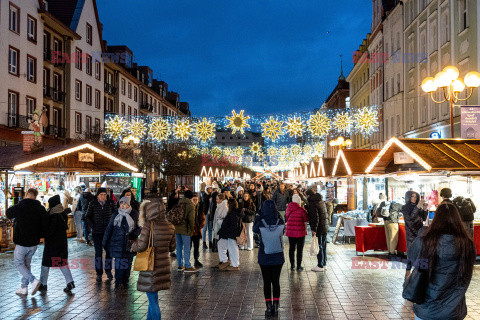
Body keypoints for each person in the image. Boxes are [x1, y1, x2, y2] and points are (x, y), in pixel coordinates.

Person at [407, 203, 475, 320]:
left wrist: (422, 232)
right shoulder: (467, 244)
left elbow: (411, 257)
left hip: (426, 309)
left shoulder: (426, 241)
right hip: (453, 310)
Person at [132, 199, 176, 320]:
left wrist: (132, 245)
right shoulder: (170, 226)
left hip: (150, 267)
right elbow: (172, 247)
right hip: (163, 266)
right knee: (153, 298)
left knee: (153, 301)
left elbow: (141, 246)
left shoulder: (149, 225)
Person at [6, 188, 46, 296]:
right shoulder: (41, 208)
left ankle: (33, 280)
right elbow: (44, 225)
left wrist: (20, 203)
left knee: (18, 263)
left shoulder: (21, 206)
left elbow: (8, 213)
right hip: (34, 243)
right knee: (26, 264)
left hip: (22, 242)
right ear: (36, 196)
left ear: (26, 194)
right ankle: (23, 287)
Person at [253, 200, 285, 317]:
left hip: (264, 256)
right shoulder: (279, 219)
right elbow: (283, 230)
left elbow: (254, 230)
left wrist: (258, 217)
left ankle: (268, 306)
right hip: (278, 256)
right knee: (276, 281)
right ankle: (276, 306)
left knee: (267, 282)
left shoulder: (261, 221)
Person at [39, 195, 75, 294]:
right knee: (62, 263)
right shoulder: (63, 213)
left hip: (52, 244)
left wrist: (43, 233)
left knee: (45, 263)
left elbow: (50, 231)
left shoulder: (54, 215)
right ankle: (70, 282)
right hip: (62, 243)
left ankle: (43, 284)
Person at [103, 196, 141, 288]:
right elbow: (109, 228)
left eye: (125, 203)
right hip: (117, 243)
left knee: (127, 264)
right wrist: (105, 241)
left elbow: (140, 226)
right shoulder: (116, 214)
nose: (123, 205)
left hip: (129, 243)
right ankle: (118, 282)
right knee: (119, 263)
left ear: (128, 204)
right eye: (121, 203)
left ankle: (125, 281)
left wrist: (134, 234)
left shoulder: (134, 214)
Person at [85, 188, 116, 282]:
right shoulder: (93, 203)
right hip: (97, 233)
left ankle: (108, 270)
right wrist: (93, 226)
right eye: (101, 195)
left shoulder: (110, 203)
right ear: (97, 195)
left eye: (104, 195)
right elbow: (87, 216)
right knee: (98, 253)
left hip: (108, 233)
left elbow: (116, 215)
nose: (103, 196)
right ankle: (99, 273)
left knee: (109, 252)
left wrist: (112, 226)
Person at [402, 190, 428, 277]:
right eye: (412, 196)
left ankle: (418, 273)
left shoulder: (418, 206)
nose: (414, 198)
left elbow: (423, 219)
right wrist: (418, 206)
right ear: (408, 197)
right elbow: (411, 218)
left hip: (419, 232)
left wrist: (424, 209)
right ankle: (408, 271)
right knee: (410, 253)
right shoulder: (405, 207)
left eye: (416, 197)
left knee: (420, 252)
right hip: (411, 233)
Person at [174, 190, 197, 273]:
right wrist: (191, 229)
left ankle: (180, 265)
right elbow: (191, 219)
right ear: (191, 197)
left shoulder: (179, 203)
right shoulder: (190, 205)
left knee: (179, 247)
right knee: (187, 247)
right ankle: (187, 265)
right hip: (185, 229)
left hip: (177, 228)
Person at [217, 198, 244, 271]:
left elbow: (233, 226)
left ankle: (235, 265)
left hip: (230, 235)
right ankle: (225, 261)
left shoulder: (233, 214)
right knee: (221, 244)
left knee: (233, 249)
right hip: (229, 234)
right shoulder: (234, 213)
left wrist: (226, 231)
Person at [306, 189, 328, 272]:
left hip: (319, 228)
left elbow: (315, 217)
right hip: (324, 227)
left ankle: (320, 265)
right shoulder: (321, 201)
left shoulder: (313, 203)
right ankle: (324, 263)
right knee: (324, 246)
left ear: (308, 195)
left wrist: (314, 229)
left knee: (319, 246)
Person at [285, 194, 308, 271]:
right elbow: (306, 219)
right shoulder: (301, 210)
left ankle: (292, 266)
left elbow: (286, 217)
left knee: (291, 248)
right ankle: (298, 266)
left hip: (291, 232)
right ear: (299, 201)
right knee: (299, 249)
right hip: (300, 232)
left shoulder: (288, 209)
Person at [190, 193, 205, 268]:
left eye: (196, 200)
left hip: (197, 231)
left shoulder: (199, 207)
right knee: (188, 247)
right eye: (194, 200)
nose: (195, 201)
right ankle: (187, 261)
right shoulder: (189, 207)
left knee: (196, 246)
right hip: (189, 231)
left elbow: (202, 218)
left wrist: (200, 226)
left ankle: (196, 260)